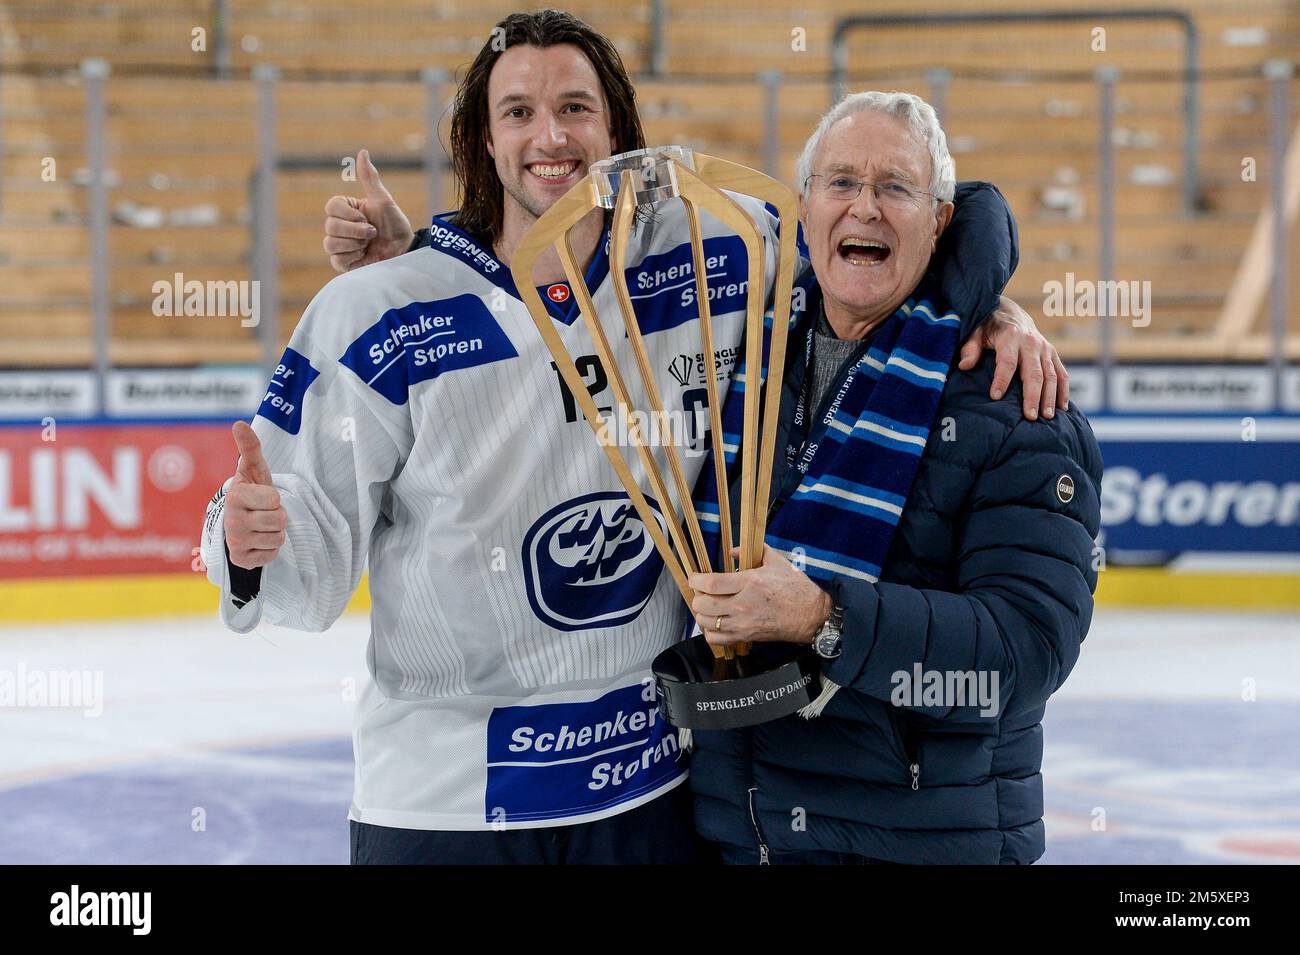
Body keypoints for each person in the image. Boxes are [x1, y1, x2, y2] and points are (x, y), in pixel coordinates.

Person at [208, 9, 1059, 865]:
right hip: (447, 808)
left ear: (616, 128)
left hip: (648, 797)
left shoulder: (707, 259)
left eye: (576, 108)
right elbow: (296, 556)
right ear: (483, 139)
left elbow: (876, 239)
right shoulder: (379, 311)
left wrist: (986, 302)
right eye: (518, 113)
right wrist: (249, 545)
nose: (551, 134)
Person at [684, 91, 1104, 864]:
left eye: (896, 188)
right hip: (742, 835)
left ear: (940, 220)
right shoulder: (740, 357)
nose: (864, 209)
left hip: (919, 845)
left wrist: (823, 617)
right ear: (804, 207)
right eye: (840, 182)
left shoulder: (1014, 402)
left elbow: (1026, 649)